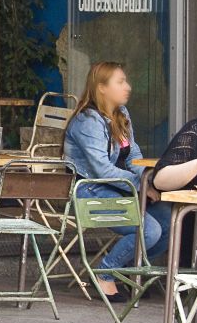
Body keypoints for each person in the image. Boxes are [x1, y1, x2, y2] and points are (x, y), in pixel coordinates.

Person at [64, 62, 171, 301]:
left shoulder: (121, 115)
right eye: (120, 82)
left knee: (168, 218)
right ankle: (105, 271)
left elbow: (132, 154)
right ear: (101, 87)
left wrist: (147, 177)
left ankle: (130, 274)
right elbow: (101, 170)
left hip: (114, 188)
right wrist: (139, 184)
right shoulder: (88, 121)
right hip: (88, 192)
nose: (128, 87)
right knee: (150, 229)